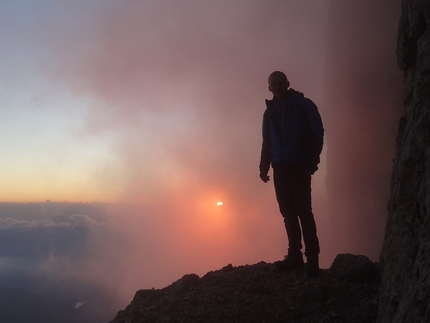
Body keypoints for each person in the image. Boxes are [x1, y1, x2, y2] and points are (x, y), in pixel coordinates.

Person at [259, 71, 324, 277]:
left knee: (304, 212)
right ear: (269, 88)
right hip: (280, 168)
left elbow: (317, 133)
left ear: (287, 84)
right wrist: (264, 166)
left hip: (299, 166)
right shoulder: (269, 113)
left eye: (280, 83)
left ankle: (312, 259)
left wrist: (312, 162)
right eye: (273, 85)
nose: (277, 87)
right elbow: (267, 141)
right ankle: (295, 256)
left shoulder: (304, 106)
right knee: (288, 214)